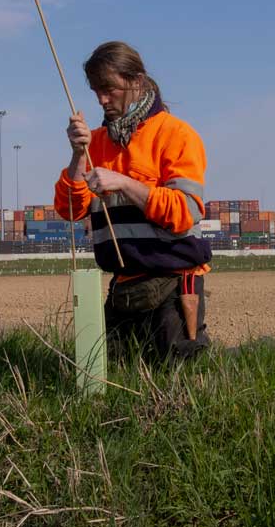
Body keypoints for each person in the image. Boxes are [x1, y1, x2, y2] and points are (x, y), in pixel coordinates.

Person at [54, 41, 212, 360]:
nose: (102, 99)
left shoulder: (176, 135)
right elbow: (69, 210)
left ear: (136, 81)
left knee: (177, 376)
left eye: (109, 89)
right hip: (122, 289)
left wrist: (124, 183)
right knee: (106, 379)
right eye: (97, 90)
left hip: (173, 286)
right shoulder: (93, 144)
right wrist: (76, 158)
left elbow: (186, 211)